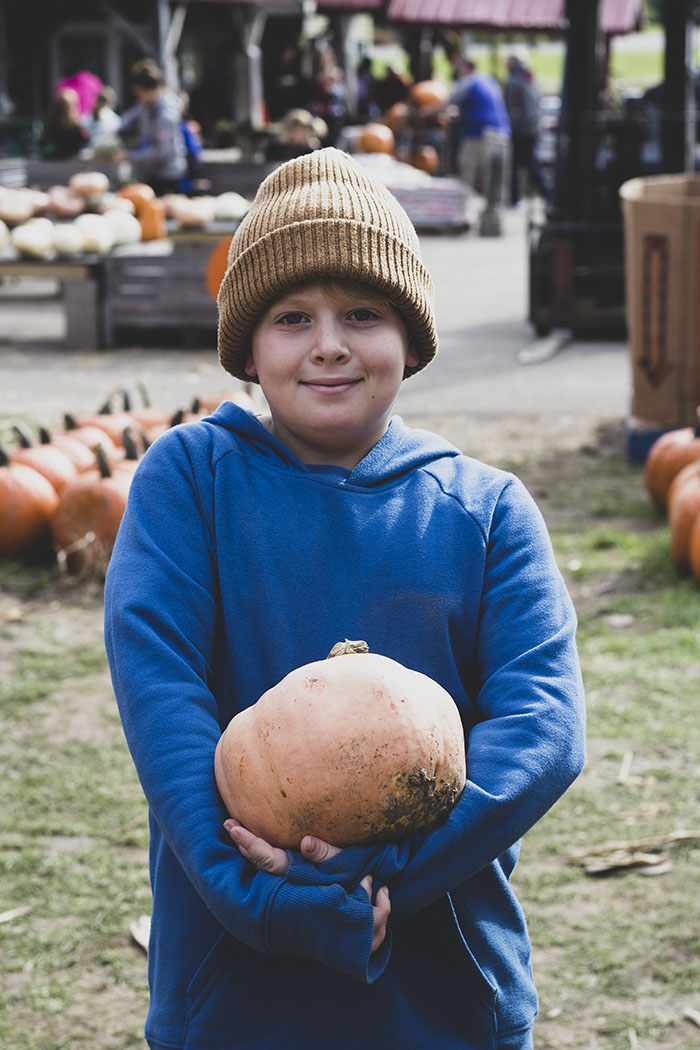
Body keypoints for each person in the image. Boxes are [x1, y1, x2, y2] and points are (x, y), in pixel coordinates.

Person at [104, 147, 586, 1050]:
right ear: (248, 346)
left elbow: (546, 729)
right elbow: (163, 702)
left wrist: (387, 873)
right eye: (292, 317)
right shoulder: (189, 481)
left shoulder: (485, 511)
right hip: (234, 980)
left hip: (440, 983)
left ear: (411, 338)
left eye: (362, 313)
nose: (328, 342)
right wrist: (264, 899)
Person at [450, 57, 511, 226]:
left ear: (466, 68)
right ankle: (493, 218)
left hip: (479, 132)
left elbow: (449, 101)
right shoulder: (490, 81)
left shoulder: (468, 82)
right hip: (502, 131)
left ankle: (464, 214)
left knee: (467, 171)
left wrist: (425, 111)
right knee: (495, 178)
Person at [118, 58, 188, 195]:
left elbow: (160, 154)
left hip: (168, 175)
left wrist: (128, 156)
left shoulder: (166, 115)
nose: (138, 96)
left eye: (139, 92)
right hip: (152, 172)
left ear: (151, 89)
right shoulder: (146, 105)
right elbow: (129, 118)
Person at [504, 55, 550, 206]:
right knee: (528, 165)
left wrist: (515, 129)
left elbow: (515, 109)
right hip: (532, 128)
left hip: (522, 131)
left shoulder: (515, 81)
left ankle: (546, 194)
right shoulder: (529, 78)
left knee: (524, 165)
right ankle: (544, 194)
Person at [40, 87, 89, 159]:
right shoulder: (78, 125)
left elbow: (44, 142)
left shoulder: (50, 123)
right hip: (74, 160)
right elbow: (84, 143)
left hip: (54, 160)